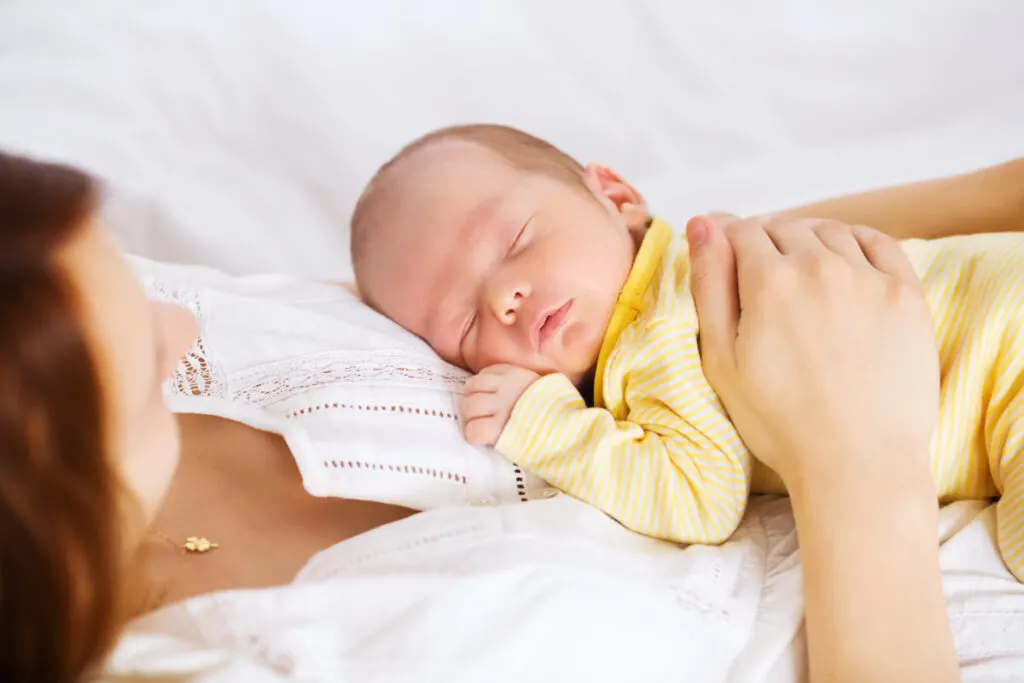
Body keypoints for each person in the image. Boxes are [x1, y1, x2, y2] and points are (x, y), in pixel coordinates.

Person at [6, 149, 1020, 682]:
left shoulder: (50, 291)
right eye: (135, 354)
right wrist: (860, 461)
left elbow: (732, 268)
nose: (181, 323)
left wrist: (989, 194)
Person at [350, 123, 1024, 578]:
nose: (507, 296)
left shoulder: (654, 331)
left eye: (519, 238)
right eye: (467, 324)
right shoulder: (704, 270)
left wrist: (544, 422)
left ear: (616, 197)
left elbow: (703, 499)